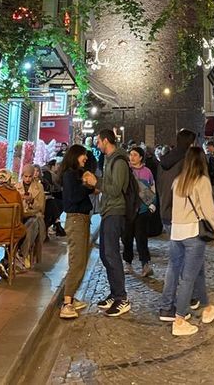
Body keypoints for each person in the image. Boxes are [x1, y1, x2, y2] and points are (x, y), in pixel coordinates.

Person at [159, 147, 214, 336]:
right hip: (193, 233)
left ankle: (205, 306)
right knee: (188, 277)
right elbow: (209, 210)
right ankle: (180, 318)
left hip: (176, 232)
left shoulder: (178, 181)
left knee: (185, 270)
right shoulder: (202, 181)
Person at [89, 128, 131, 317]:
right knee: (106, 255)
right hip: (108, 210)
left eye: (99, 141)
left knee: (112, 254)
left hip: (116, 210)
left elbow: (115, 189)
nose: (97, 145)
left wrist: (96, 182)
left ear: (106, 141)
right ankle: (115, 294)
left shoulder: (119, 161)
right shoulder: (109, 160)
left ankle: (122, 298)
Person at [60, 144, 96, 319]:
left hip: (82, 219)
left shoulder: (75, 174)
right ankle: (67, 303)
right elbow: (73, 198)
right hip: (75, 219)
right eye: (83, 155)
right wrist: (85, 185)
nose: (86, 158)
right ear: (75, 156)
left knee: (81, 260)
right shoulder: (69, 175)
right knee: (76, 260)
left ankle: (72, 298)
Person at [123, 146, 156, 276]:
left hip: (142, 210)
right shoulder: (126, 171)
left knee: (141, 238)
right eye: (130, 154)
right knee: (127, 237)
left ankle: (145, 264)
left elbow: (153, 188)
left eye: (135, 155)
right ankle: (127, 262)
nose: (132, 157)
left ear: (141, 157)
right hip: (129, 210)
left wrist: (153, 205)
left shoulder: (147, 172)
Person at [157, 128, 196, 231]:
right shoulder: (187, 161)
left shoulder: (163, 161)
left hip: (165, 211)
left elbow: (159, 186)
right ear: (190, 144)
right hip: (183, 213)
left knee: (175, 245)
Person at [17, 164, 46, 268]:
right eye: (25, 176)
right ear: (22, 176)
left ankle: (22, 254)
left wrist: (32, 201)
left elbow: (41, 207)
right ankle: (19, 252)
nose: (28, 179)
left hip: (34, 216)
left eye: (30, 176)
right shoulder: (17, 187)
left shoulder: (39, 187)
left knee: (32, 224)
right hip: (20, 216)